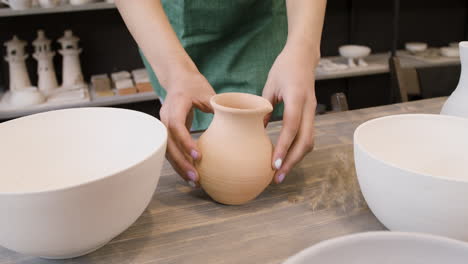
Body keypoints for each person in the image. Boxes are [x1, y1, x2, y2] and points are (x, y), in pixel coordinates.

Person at [115, 0, 326, 187]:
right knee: (187, 133)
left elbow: (303, 49)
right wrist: (174, 73)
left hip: (262, 30)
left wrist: (304, 49)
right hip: (171, 35)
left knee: (268, 120)